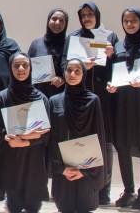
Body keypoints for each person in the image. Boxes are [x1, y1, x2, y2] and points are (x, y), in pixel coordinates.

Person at [61, 1, 117, 205]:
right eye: (83, 15)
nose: (86, 18)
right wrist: (80, 66)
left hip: (103, 97)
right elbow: (63, 64)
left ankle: (104, 189)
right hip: (79, 97)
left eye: (90, 14)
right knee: (81, 140)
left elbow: (118, 68)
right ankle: (82, 184)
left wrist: (112, 56)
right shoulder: (74, 37)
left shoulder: (109, 36)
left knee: (105, 142)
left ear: (97, 15)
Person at [107, 7, 140, 209]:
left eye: (133, 20)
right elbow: (114, 72)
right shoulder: (119, 45)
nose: (129, 24)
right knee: (122, 145)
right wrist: (111, 85)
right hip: (123, 101)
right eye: (126, 21)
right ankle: (129, 191)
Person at [48, 58, 107, 213]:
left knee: (85, 207)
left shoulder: (93, 100)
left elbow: (98, 137)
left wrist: (85, 171)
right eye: (69, 70)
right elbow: (51, 139)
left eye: (77, 71)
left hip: (87, 169)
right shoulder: (54, 101)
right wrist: (61, 168)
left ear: (83, 74)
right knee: (64, 207)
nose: (72, 74)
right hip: (63, 169)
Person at [0, 53, 50, 213]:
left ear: (31, 68)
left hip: (34, 159)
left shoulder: (41, 98)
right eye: (16, 65)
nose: (21, 69)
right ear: (10, 68)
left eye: (25, 65)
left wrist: (25, 141)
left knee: (34, 207)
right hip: (12, 157)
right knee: (15, 207)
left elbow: (46, 134)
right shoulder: (2, 97)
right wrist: (10, 136)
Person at [28, 8, 69, 98]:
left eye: (61, 20)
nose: (57, 23)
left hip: (62, 97)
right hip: (39, 95)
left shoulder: (69, 45)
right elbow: (27, 69)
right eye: (54, 19)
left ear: (66, 24)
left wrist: (64, 79)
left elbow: (76, 70)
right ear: (48, 20)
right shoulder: (36, 44)